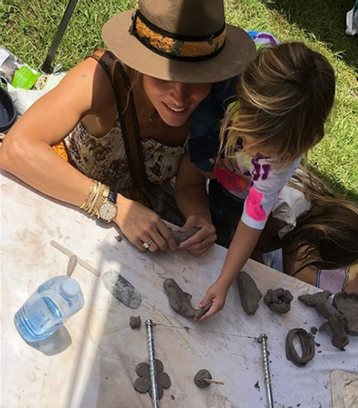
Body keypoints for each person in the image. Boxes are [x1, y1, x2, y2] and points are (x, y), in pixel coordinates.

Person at [0, 0, 254, 257]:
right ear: (140, 64)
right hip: (67, 197)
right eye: (164, 78)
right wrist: (115, 207)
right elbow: (16, 148)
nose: (179, 98)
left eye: (195, 82)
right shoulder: (99, 79)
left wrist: (199, 217)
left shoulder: (208, 110)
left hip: (142, 231)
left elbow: (189, 185)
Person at [191, 42, 336, 321]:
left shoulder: (283, 158)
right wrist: (201, 160)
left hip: (236, 179)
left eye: (268, 150)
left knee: (229, 217)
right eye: (250, 135)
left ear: (308, 142)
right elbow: (191, 152)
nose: (255, 149)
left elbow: (254, 217)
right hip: (211, 152)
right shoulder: (220, 91)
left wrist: (223, 282)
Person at [251, 167, 358, 303]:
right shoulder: (284, 215)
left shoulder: (315, 199)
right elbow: (252, 248)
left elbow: (290, 247)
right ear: (320, 239)